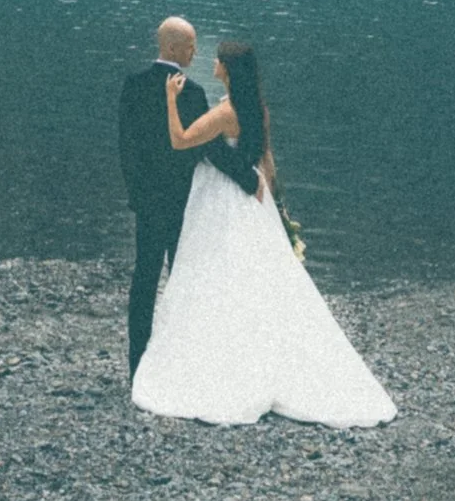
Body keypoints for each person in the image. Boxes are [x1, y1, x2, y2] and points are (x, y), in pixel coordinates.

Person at [128, 38, 394, 428]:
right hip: (255, 201)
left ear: (228, 70)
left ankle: (221, 361)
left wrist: (170, 100)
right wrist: (277, 208)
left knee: (213, 272)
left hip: (220, 201)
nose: (212, 64)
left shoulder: (225, 114)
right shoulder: (258, 111)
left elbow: (180, 140)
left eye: (218, 61)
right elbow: (267, 162)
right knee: (258, 275)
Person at [117, 15, 206, 380]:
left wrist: (136, 195)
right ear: (173, 47)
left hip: (148, 202)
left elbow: (127, 149)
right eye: (190, 45)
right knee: (182, 279)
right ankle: (179, 361)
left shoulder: (134, 86)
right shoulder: (195, 94)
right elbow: (204, 151)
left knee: (144, 280)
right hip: (183, 202)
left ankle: (137, 363)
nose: (195, 51)